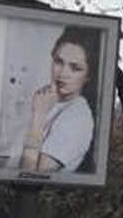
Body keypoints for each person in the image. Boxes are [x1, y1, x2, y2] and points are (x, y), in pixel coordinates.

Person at [19, 26, 99, 173]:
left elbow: (30, 178)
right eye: (58, 62)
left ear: (88, 76)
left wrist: (38, 117)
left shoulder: (78, 117)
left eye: (75, 68)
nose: (62, 73)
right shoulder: (45, 99)